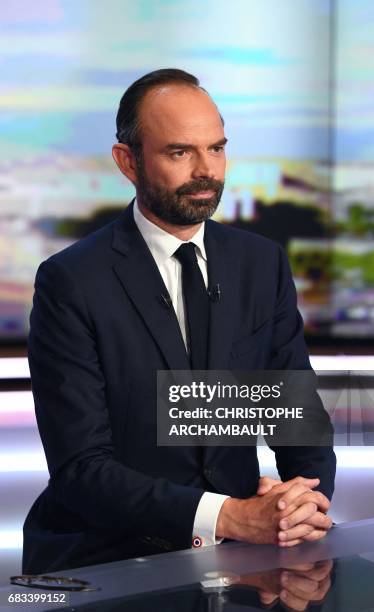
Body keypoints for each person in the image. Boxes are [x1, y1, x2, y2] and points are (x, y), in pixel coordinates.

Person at [23, 69, 336, 573]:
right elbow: (82, 470)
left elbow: (297, 420)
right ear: (128, 161)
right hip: (112, 555)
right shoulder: (71, 282)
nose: (205, 170)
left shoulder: (262, 263)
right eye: (179, 152)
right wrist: (231, 517)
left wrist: (306, 506)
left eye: (216, 148)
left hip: (247, 555)